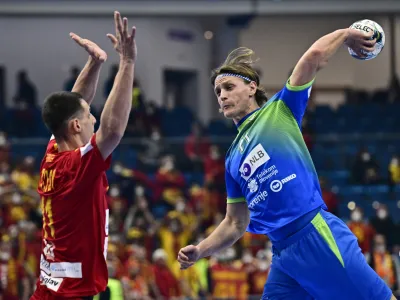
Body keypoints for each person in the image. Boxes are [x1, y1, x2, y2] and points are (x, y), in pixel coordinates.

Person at [177, 27, 397, 300]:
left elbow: (314, 57)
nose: (221, 95)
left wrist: (346, 34)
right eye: (218, 91)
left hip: (315, 236)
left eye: (229, 87)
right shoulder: (232, 157)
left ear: (252, 88)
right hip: (283, 253)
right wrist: (201, 249)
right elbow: (234, 223)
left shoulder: (280, 110)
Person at [30, 11, 137, 299]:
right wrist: (126, 63)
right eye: (91, 116)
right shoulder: (75, 167)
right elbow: (113, 130)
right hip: (71, 292)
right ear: (77, 126)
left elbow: (72, 106)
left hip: (51, 286)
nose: (94, 119)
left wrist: (96, 62)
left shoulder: (53, 154)